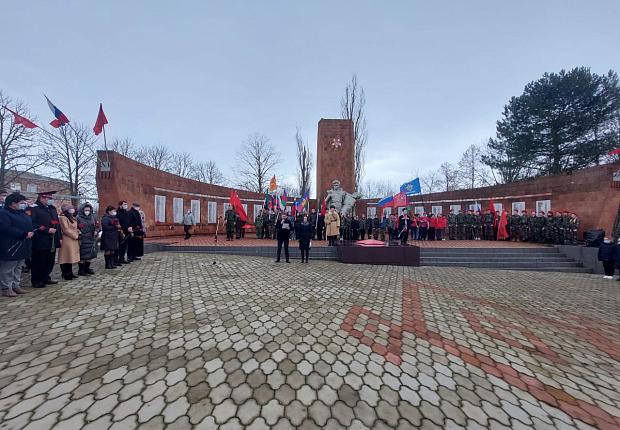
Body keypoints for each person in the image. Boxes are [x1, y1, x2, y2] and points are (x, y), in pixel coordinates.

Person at [0, 193, 33, 297]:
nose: (24, 204)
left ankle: (15, 285)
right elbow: (6, 228)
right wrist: (23, 234)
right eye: (21, 202)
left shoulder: (21, 213)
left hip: (23, 244)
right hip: (10, 244)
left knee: (18, 266)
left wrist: (30, 232)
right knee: (8, 268)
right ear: (13, 203)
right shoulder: (3, 213)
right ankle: (6, 288)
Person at [30, 191, 61, 288]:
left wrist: (59, 237)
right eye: (48, 198)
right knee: (39, 261)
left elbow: (57, 224)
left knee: (50, 260)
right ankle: (37, 280)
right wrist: (46, 230)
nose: (50, 200)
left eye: (51, 198)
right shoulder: (34, 208)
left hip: (52, 239)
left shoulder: (52, 209)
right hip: (40, 239)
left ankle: (46, 277)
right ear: (41, 198)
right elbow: (32, 223)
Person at [58, 203, 80, 280]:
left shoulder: (72, 217)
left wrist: (78, 231)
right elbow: (66, 229)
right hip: (67, 239)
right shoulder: (63, 218)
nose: (72, 210)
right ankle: (65, 273)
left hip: (72, 239)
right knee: (65, 256)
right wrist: (75, 235)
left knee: (70, 256)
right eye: (70, 209)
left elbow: (73, 227)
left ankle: (70, 272)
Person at [76, 203, 98, 276]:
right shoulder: (78, 218)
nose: (87, 211)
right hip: (83, 238)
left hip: (91, 238)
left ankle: (87, 268)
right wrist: (79, 233)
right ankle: (81, 270)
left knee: (90, 254)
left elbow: (97, 226)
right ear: (82, 210)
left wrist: (96, 231)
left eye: (88, 210)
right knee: (83, 255)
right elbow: (76, 228)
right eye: (86, 210)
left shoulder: (92, 217)